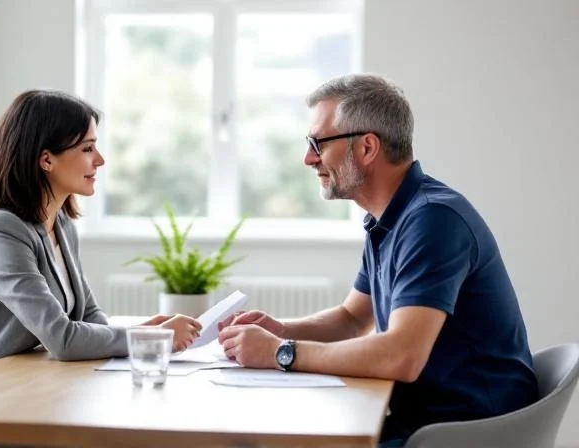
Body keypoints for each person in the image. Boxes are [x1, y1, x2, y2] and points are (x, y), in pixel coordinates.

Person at [217, 74, 538, 447]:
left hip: (466, 432)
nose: (308, 158)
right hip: (427, 421)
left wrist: (280, 353)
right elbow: (352, 319)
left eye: (318, 142)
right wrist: (281, 330)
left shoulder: (433, 221)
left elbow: (402, 357)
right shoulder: (392, 217)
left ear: (368, 148)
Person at [0, 90, 201, 379]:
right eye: (87, 149)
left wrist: (145, 331)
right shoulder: (2, 233)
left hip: (26, 385)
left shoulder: (62, 227)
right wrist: (151, 338)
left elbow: (89, 317)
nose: (100, 160)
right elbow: (62, 339)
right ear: (46, 160)